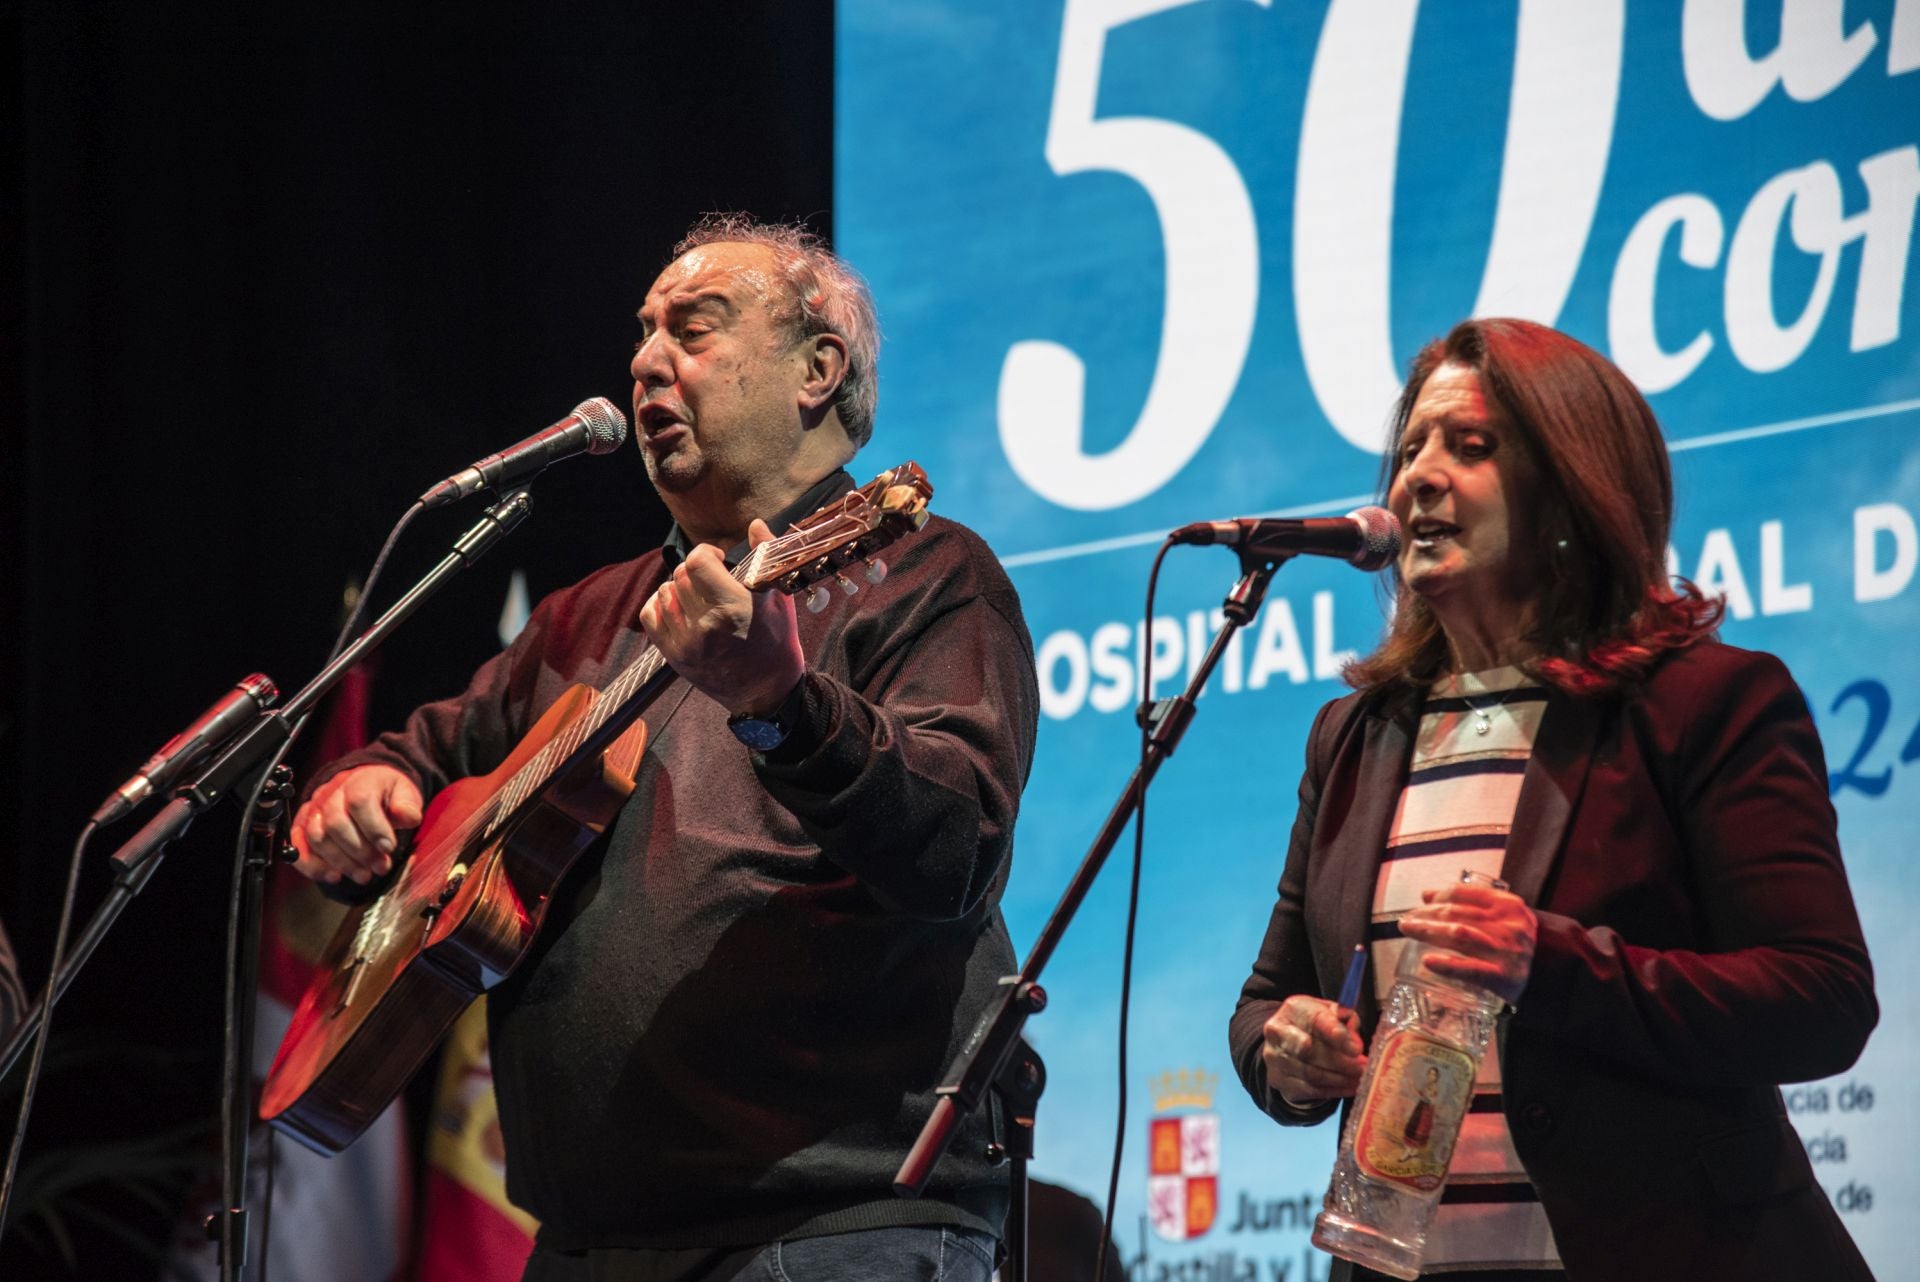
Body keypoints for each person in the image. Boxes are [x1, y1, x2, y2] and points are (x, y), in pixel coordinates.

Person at [289, 215, 1039, 1282]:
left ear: (818, 369)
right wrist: (360, 785)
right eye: (644, 334)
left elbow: (955, 847)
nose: (647, 359)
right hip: (586, 1244)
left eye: (694, 328)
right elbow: (427, 749)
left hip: (836, 1229)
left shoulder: (926, 573)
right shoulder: (583, 619)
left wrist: (786, 703)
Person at [1228, 318, 1876, 1282]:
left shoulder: (1702, 703)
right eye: (1410, 451)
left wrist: (1555, 964)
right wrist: (1287, 1052)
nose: (1418, 478)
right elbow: (1267, 1000)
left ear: (1571, 486)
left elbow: (1820, 1000)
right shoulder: (1357, 738)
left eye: (1470, 447)